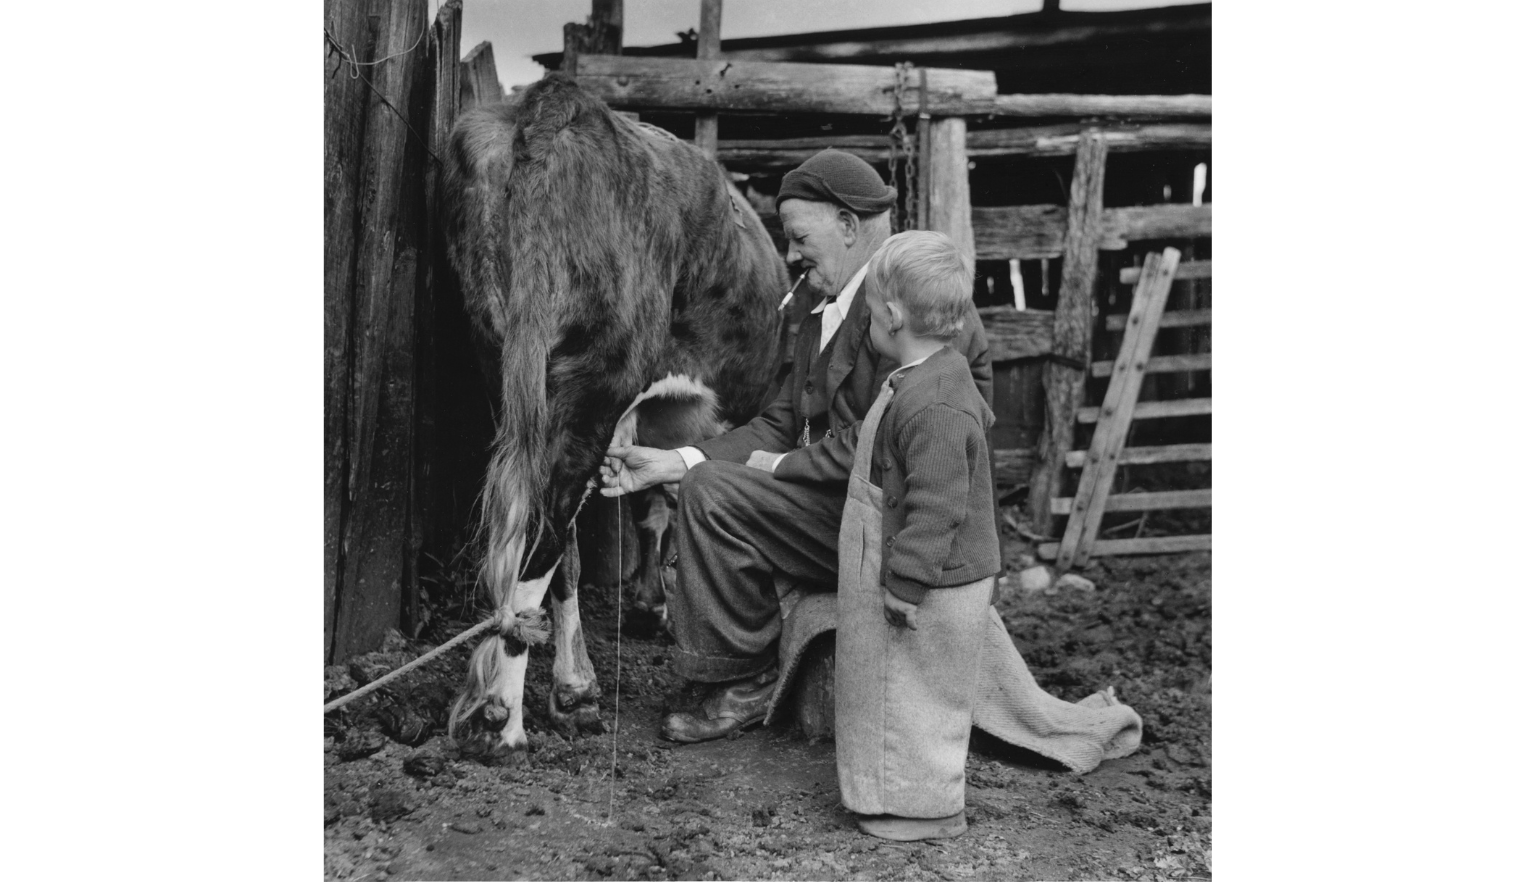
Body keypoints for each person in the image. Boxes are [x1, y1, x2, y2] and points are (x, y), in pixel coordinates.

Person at [600, 149, 993, 743]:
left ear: (847, 225)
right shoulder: (817, 302)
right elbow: (783, 418)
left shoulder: (922, 305)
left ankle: (748, 681)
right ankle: (735, 664)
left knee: (710, 493)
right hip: (844, 511)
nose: (790, 254)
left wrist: (773, 468)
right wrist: (671, 462)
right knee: (702, 484)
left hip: (905, 529)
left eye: (799, 236)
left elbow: (882, 447)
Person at [792, 230, 996, 841]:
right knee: (891, 693)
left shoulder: (933, 402)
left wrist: (905, 582)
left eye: (870, 308)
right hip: (914, 570)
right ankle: (892, 796)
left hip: (934, 581)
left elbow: (938, 508)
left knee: (918, 701)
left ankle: (928, 810)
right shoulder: (919, 377)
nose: (866, 318)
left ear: (892, 315)